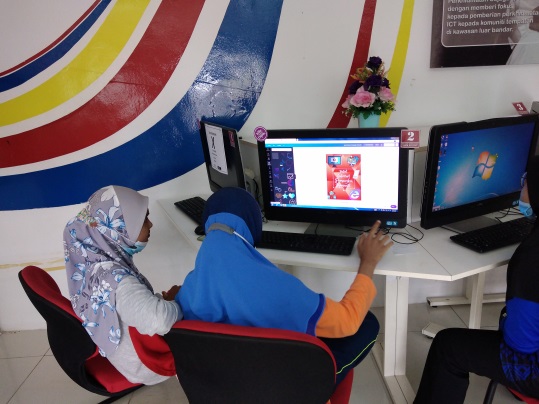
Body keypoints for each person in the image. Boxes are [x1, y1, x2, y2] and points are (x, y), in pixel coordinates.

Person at [176, 187, 393, 385]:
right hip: (286, 385)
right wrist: (368, 263)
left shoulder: (186, 292)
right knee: (366, 323)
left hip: (225, 385)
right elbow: (348, 321)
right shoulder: (280, 289)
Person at [414, 156, 539, 403]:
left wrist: (508, 319)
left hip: (532, 365)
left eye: (526, 182)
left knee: (447, 345)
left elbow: (520, 344)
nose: (521, 186)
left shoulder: (532, 260)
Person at [64, 185, 182, 385]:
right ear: (118, 229)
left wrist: (161, 301)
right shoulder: (116, 280)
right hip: (144, 363)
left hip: (128, 350)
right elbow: (159, 319)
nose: (151, 224)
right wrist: (177, 302)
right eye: (144, 219)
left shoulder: (90, 261)